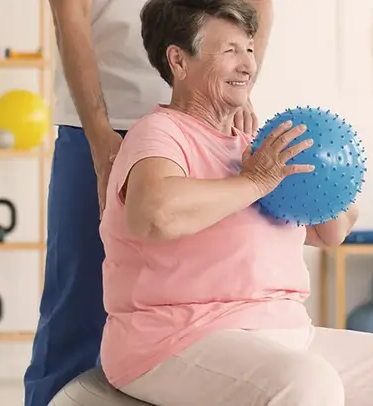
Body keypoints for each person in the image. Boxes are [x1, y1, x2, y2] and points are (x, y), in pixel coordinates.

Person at [97, 0, 373, 405]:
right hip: (176, 339)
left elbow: (330, 232)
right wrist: (255, 180)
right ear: (178, 61)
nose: (247, 66)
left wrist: (330, 183)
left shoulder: (256, 147)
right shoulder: (160, 134)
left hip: (288, 333)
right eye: (230, 51)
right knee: (307, 382)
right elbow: (155, 215)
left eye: (250, 50)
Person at [23, 0, 273, 404]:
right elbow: (70, 21)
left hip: (201, 118)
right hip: (101, 124)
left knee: (207, 295)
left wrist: (235, 89)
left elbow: (256, 7)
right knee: (77, 300)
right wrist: (99, 134)